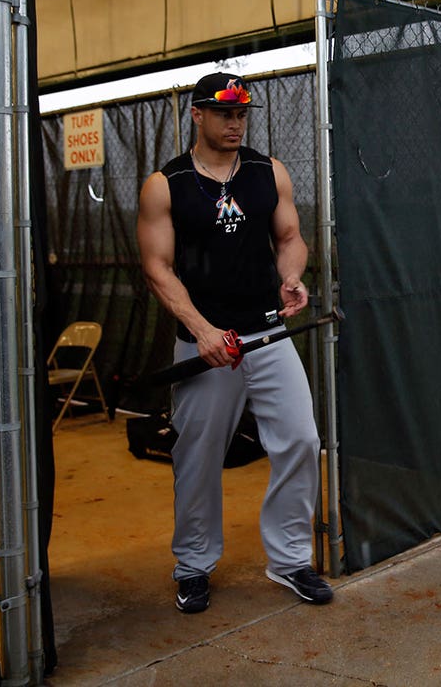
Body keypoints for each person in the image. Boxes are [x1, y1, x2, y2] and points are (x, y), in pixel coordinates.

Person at [137, 72, 332, 613]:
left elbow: (290, 239)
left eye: (243, 112)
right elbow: (157, 267)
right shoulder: (165, 184)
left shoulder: (269, 172)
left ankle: (290, 559)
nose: (235, 122)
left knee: (299, 440)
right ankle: (194, 565)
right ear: (197, 115)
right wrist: (201, 330)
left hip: (268, 333)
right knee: (197, 458)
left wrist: (291, 277)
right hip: (205, 347)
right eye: (224, 112)